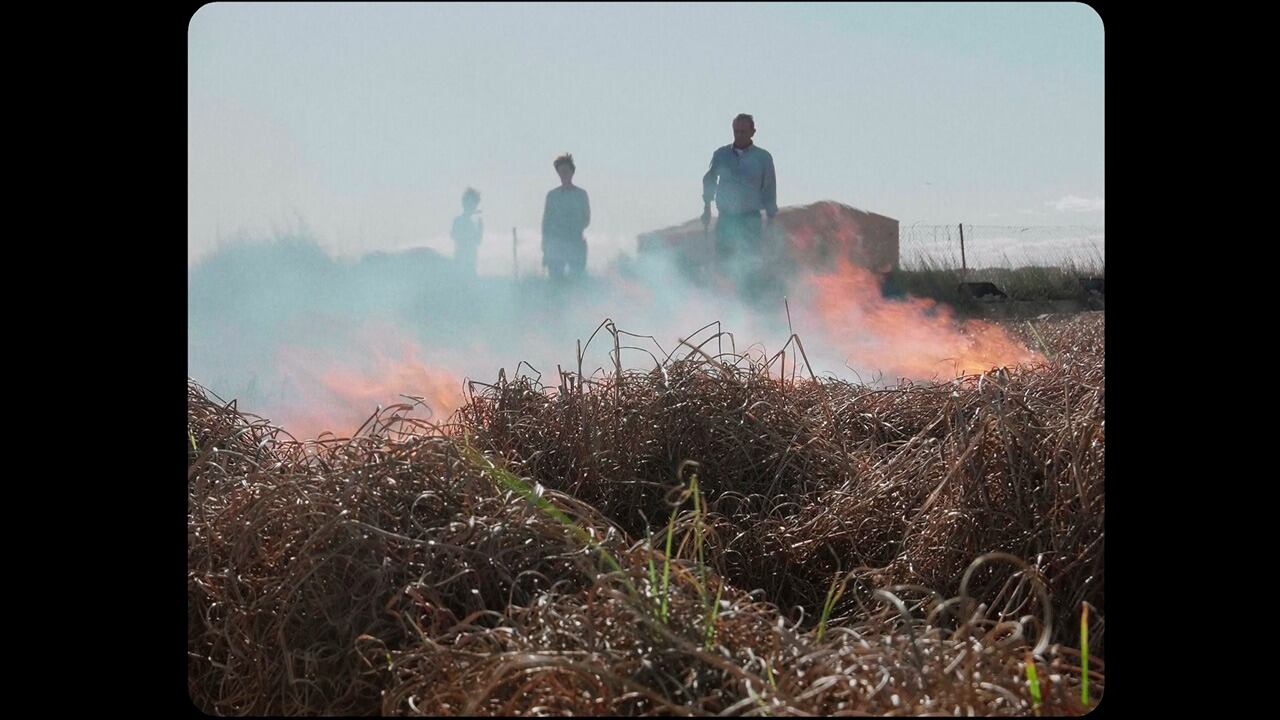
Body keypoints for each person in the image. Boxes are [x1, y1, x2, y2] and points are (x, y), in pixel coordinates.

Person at [700, 113, 778, 290]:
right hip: (727, 218)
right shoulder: (721, 155)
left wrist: (771, 217)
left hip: (750, 220)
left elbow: (769, 187)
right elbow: (710, 180)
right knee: (724, 262)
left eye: (743, 131)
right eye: (736, 131)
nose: (739, 135)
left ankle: (749, 299)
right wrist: (706, 206)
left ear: (752, 132)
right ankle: (723, 299)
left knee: (750, 263)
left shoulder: (763, 158)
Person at [541, 153, 590, 281]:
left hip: (575, 242)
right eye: (561, 172)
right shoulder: (552, 196)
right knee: (556, 280)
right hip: (556, 243)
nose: (563, 174)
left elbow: (586, 219)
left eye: (566, 171)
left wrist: (573, 227)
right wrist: (545, 244)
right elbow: (546, 221)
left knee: (577, 279)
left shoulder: (581, 194)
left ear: (572, 172)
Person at [450, 187, 483, 276]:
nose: (474, 207)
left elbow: (478, 241)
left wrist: (480, 228)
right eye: (473, 205)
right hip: (463, 262)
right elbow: (477, 241)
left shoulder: (459, 221)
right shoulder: (461, 221)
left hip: (467, 262)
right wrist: (479, 229)